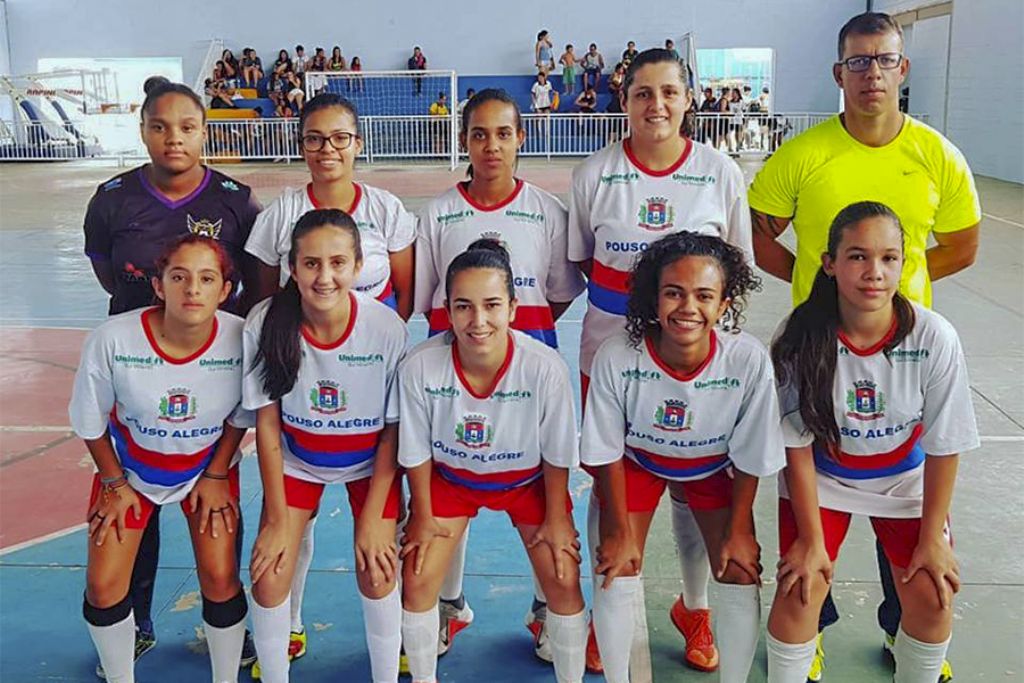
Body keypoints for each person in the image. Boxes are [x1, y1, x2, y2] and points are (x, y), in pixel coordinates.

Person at [748, 15, 981, 678]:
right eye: (859, 61)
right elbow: (762, 232)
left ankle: (904, 633)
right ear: (839, 72)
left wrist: (887, 295)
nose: (872, 73)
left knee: (919, 571)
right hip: (824, 357)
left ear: (902, 69)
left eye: (885, 60)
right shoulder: (803, 153)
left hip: (899, 370)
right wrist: (822, 293)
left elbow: (960, 245)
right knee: (804, 566)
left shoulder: (937, 154)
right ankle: (807, 634)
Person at [568, 48, 754, 673]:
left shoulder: (718, 171)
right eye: (643, 93)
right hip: (609, 352)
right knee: (611, 474)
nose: (657, 105)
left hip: (698, 356)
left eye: (669, 92)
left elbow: (736, 268)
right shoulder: (594, 172)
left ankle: (694, 606)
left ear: (688, 98)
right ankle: (606, 605)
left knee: (694, 476)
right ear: (624, 101)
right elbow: (577, 264)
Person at [83, 77, 262, 679]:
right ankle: (134, 625)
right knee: (132, 520)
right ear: (143, 131)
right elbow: (111, 276)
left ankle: (228, 633)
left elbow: (255, 286)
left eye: (187, 127)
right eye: (159, 126)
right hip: (140, 376)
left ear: (205, 132)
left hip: (210, 377)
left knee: (215, 523)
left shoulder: (237, 201)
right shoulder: (111, 199)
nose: (173, 138)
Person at [765, 201, 979, 683]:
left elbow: (946, 444)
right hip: (822, 477)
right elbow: (794, 448)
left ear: (905, 264)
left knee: (932, 588)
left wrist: (932, 540)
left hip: (904, 479)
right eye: (858, 256)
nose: (874, 272)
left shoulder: (933, 337)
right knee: (802, 586)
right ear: (830, 263)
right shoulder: (799, 336)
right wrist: (812, 543)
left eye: (888, 258)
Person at [415, 88, 586, 663]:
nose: (492, 145)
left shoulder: (546, 211)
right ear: (463, 141)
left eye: (504, 133)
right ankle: (448, 606)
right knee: (454, 479)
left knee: (538, 495)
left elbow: (557, 293)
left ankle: (544, 612)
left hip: (528, 381)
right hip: (457, 376)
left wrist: (515, 340)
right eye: (479, 134)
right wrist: (473, 341)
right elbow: (430, 301)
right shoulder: (439, 213)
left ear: (521, 138)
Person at [583, 232, 785, 683]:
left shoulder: (747, 361)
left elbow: (752, 453)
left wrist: (738, 532)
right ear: (653, 300)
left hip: (711, 467)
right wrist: (618, 531)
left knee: (738, 568)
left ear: (725, 304)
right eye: (673, 293)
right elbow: (605, 451)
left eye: (704, 295)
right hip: (637, 463)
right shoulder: (618, 356)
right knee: (617, 565)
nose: (688, 307)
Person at [398, 240, 588, 683]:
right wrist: (422, 515)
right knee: (418, 574)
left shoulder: (544, 368)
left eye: (491, 305)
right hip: (452, 480)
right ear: (447, 309)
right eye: (463, 306)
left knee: (562, 576)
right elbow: (416, 452)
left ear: (514, 308)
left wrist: (558, 518)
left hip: (527, 483)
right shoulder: (420, 366)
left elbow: (559, 454)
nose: (478, 320)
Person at [71, 234, 253, 683]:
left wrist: (215, 473)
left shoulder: (241, 339)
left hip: (205, 470)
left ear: (224, 291)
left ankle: (225, 676)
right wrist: (114, 484)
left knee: (220, 575)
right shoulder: (113, 339)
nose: (193, 289)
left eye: (206, 279)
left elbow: (241, 415)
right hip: (130, 472)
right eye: (179, 277)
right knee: (103, 585)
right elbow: (89, 420)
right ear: (158, 285)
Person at [243, 209, 408, 683]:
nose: (325, 276)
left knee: (377, 568)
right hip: (298, 463)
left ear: (359, 267)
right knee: (269, 572)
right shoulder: (266, 323)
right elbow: (268, 428)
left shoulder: (385, 328)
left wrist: (376, 518)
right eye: (311, 263)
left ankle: (384, 674)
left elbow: (392, 433)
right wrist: (275, 518)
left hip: (368, 465)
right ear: (292, 269)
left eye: (338, 262)